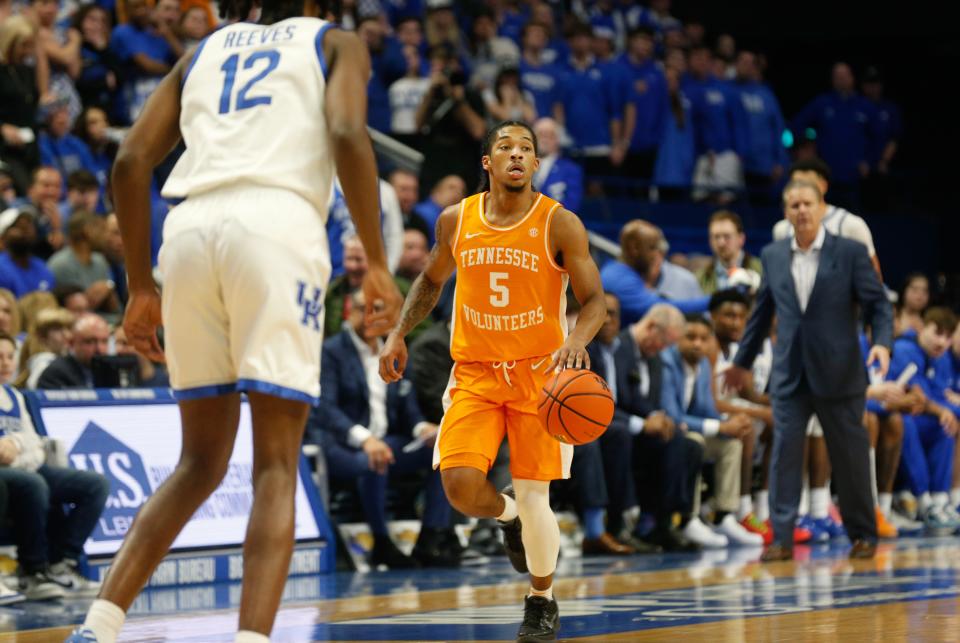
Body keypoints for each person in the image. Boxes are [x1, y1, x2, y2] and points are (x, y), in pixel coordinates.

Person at [68, 1, 403, 641]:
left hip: (189, 231)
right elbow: (345, 129)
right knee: (276, 463)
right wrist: (380, 260)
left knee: (198, 461)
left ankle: (98, 627)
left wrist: (140, 287)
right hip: (276, 226)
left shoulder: (204, 51)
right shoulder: (338, 42)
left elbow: (131, 162)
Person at [379, 120, 607, 641]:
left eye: (527, 148)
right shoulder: (457, 219)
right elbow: (431, 279)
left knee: (537, 498)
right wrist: (397, 333)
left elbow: (593, 301)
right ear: (487, 162)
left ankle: (541, 599)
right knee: (460, 488)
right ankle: (506, 516)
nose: (518, 155)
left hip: (539, 378)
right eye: (506, 146)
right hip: (476, 373)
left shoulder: (559, 222)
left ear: (535, 163)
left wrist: (576, 340)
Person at [725, 179, 893, 562]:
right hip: (790, 373)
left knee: (850, 458)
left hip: (841, 373)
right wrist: (741, 363)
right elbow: (762, 312)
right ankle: (782, 538)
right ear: (786, 212)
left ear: (821, 208)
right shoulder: (772, 255)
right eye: (793, 205)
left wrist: (882, 343)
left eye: (807, 204)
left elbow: (878, 305)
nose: (801, 211)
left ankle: (863, 534)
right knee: (785, 454)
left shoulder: (849, 252)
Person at [308, 290, 454, 569]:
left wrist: (423, 428)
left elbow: (407, 405)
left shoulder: (393, 349)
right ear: (349, 312)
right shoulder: (331, 351)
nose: (370, 316)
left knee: (442, 452)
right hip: (341, 444)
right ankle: (381, 542)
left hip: (387, 441)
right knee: (376, 459)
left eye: (378, 309)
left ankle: (431, 538)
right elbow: (326, 408)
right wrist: (365, 440)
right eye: (364, 309)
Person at [0, 340, 110, 601]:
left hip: (24, 466)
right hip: (14, 474)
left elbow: (34, 444)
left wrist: (15, 446)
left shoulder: (15, 396)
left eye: (9, 356)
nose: (5, 362)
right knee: (33, 484)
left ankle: (62, 563)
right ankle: (32, 570)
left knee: (95, 485)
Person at [660, 315, 762, 546]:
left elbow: (706, 408)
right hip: (667, 436)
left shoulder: (704, 364)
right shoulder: (667, 362)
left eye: (704, 339)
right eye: (691, 337)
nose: (697, 344)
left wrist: (731, 423)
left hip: (690, 430)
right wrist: (720, 426)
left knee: (731, 443)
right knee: (694, 441)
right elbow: (672, 416)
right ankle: (689, 518)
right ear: (678, 339)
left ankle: (723, 515)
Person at [888, 307, 960, 531]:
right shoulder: (903, 349)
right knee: (906, 421)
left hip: (920, 417)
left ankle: (940, 500)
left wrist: (944, 410)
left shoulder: (940, 358)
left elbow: (936, 398)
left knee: (944, 425)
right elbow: (918, 400)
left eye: (948, 337)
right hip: (890, 412)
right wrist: (943, 409)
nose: (942, 341)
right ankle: (922, 500)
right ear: (922, 328)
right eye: (937, 333)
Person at [600, 218, 709, 325]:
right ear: (634, 248)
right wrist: (713, 301)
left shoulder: (625, 272)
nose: (657, 254)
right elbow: (661, 310)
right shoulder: (617, 278)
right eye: (652, 248)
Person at [696, 210, 762, 295]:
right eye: (716, 237)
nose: (721, 243)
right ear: (710, 241)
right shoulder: (700, 278)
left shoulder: (762, 270)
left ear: (741, 239)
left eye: (727, 236)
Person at [0, 207, 56, 297]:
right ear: (2, 238)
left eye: (29, 225)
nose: (26, 230)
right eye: (19, 226)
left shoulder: (42, 266)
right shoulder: (1, 268)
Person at [532, 117, 583, 212]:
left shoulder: (571, 170)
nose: (544, 139)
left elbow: (572, 206)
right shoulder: (522, 166)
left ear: (557, 140)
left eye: (549, 135)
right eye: (540, 135)